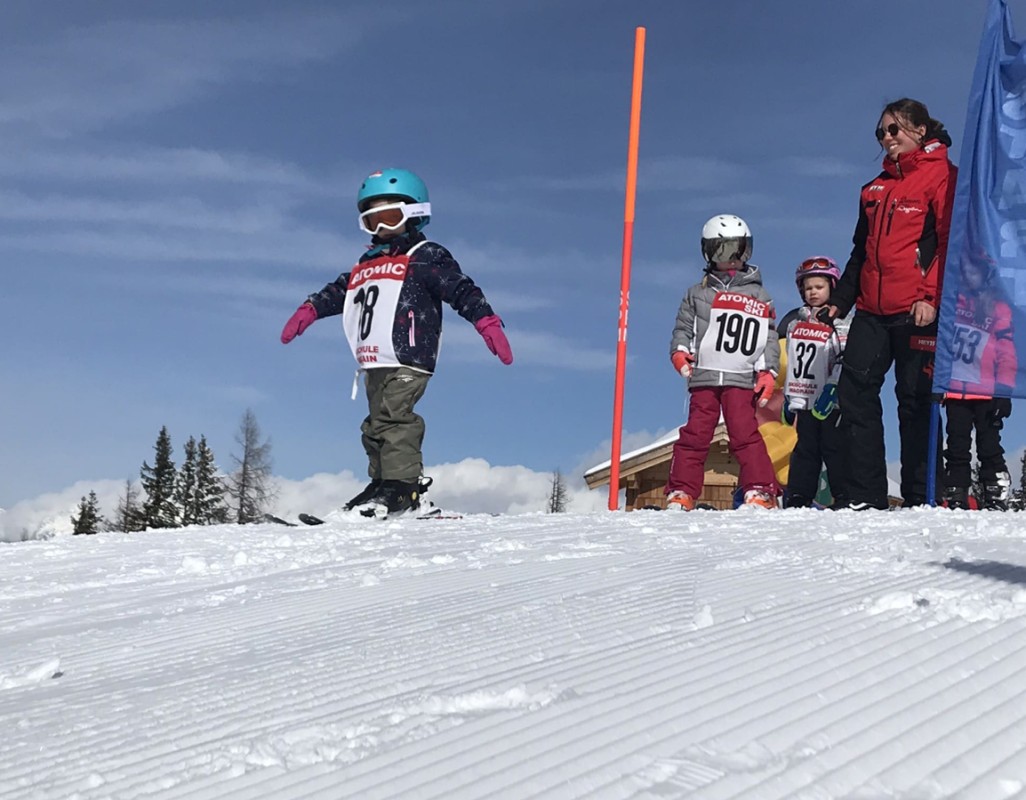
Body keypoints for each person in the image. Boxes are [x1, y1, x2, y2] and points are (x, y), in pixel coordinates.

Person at [280, 168, 513, 516]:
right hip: (374, 357)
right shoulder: (366, 264)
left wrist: (485, 320)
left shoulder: (425, 255)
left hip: (409, 354)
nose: (380, 228)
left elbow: (459, 288)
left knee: (394, 417)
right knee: (375, 424)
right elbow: (340, 291)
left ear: (414, 213)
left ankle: (404, 488)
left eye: (389, 217)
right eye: (371, 220)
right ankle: (382, 484)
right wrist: (311, 308)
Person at [826, 98, 957, 510]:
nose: (886, 138)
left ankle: (922, 495)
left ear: (919, 130)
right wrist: (840, 301)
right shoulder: (873, 189)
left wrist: (931, 297)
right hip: (870, 310)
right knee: (854, 392)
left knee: (914, 400)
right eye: (880, 132)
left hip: (917, 309)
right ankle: (866, 494)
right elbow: (859, 253)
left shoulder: (944, 178)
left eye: (893, 129)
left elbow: (949, 244)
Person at [664, 214, 781, 510]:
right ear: (709, 252)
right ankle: (682, 491)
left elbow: (767, 336)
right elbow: (683, 327)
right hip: (705, 375)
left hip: (740, 376)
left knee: (745, 432)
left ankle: (759, 489)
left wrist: (767, 372)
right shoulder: (697, 293)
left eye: (738, 250)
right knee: (696, 433)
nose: (731, 259)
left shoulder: (758, 295)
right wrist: (680, 351)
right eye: (722, 250)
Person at [942, 256, 1016, 510]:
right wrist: (938, 381)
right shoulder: (952, 304)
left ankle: (995, 490)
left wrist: (1005, 390)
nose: (971, 277)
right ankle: (956, 492)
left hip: (987, 390)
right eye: (967, 272)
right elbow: (941, 346)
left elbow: (1007, 352)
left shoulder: (998, 308)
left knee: (989, 443)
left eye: (977, 272)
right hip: (956, 391)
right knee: (957, 443)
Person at [781, 257, 851, 509]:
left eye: (819, 287)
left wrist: (833, 388)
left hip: (829, 401)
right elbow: (793, 360)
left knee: (835, 448)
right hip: (804, 399)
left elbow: (844, 357)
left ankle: (843, 495)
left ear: (832, 286)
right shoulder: (794, 323)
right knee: (805, 449)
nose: (813, 292)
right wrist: (789, 396)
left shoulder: (840, 322)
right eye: (808, 288)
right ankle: (799, 494)